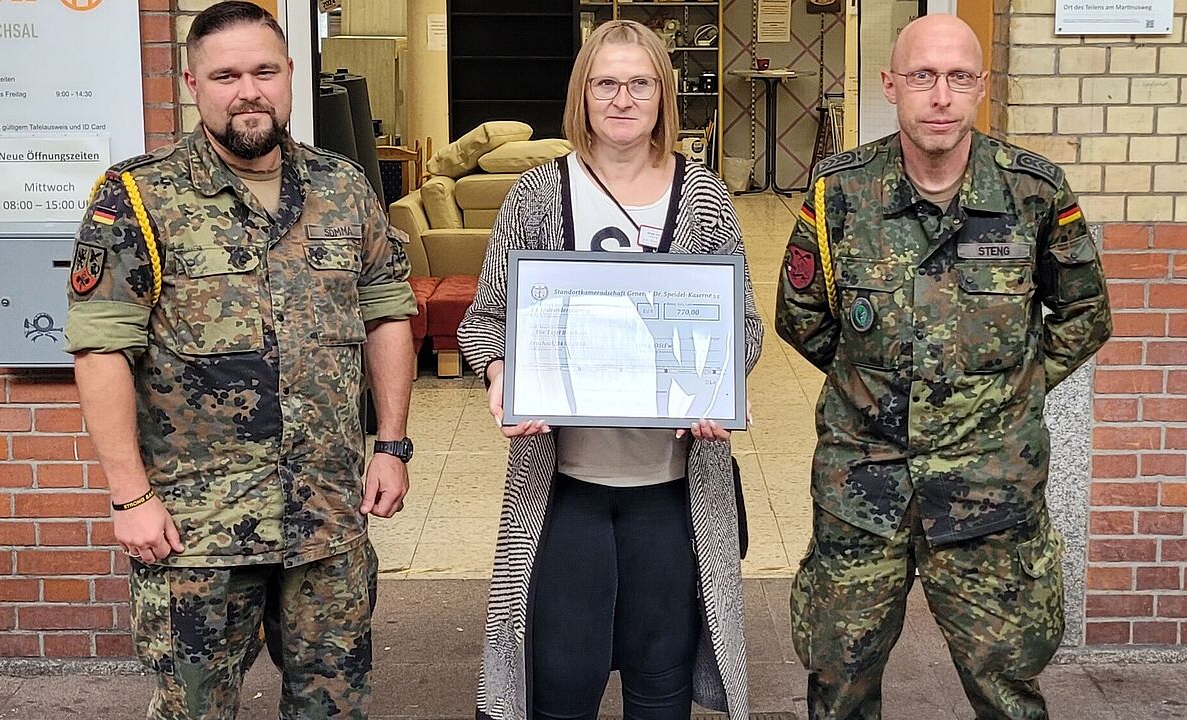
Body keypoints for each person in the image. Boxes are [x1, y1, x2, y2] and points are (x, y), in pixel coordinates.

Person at [63, 2, 418, 717]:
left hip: (326, 517)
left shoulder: (344, 188)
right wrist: (130, 496)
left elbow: (387, 314)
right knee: (196, 711)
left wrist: (392, 444)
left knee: (335, 706)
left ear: (289, 76)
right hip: (197, 530)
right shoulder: (137, 196)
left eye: (263, 70)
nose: (247, 90)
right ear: (193, 83)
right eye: (225, 75)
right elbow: (102, 349)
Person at [775, 14, 1111, 720]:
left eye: (959, 77)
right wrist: (872, 386)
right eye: (923, 76)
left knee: (1007, 686)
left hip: (989, 485)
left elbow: (1084, 315)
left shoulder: (1034, 193)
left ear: (980, 89)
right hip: (864, 484)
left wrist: (1007, 394)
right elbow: (801, 314)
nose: (940, 95)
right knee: (838, 681)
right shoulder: (840, 192)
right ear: (892, 85)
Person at [458, 20, 763, 720]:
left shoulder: (706, 199)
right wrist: (501, 372)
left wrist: (722, 383)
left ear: (663, 94)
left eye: (639, 82)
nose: (622, 98)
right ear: (582, 93)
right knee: (562, 688)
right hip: (566, 491)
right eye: (605, 82)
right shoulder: (536, 196)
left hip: (673, 491)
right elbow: (484, 320)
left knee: (661, 690)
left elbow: (742, 326)